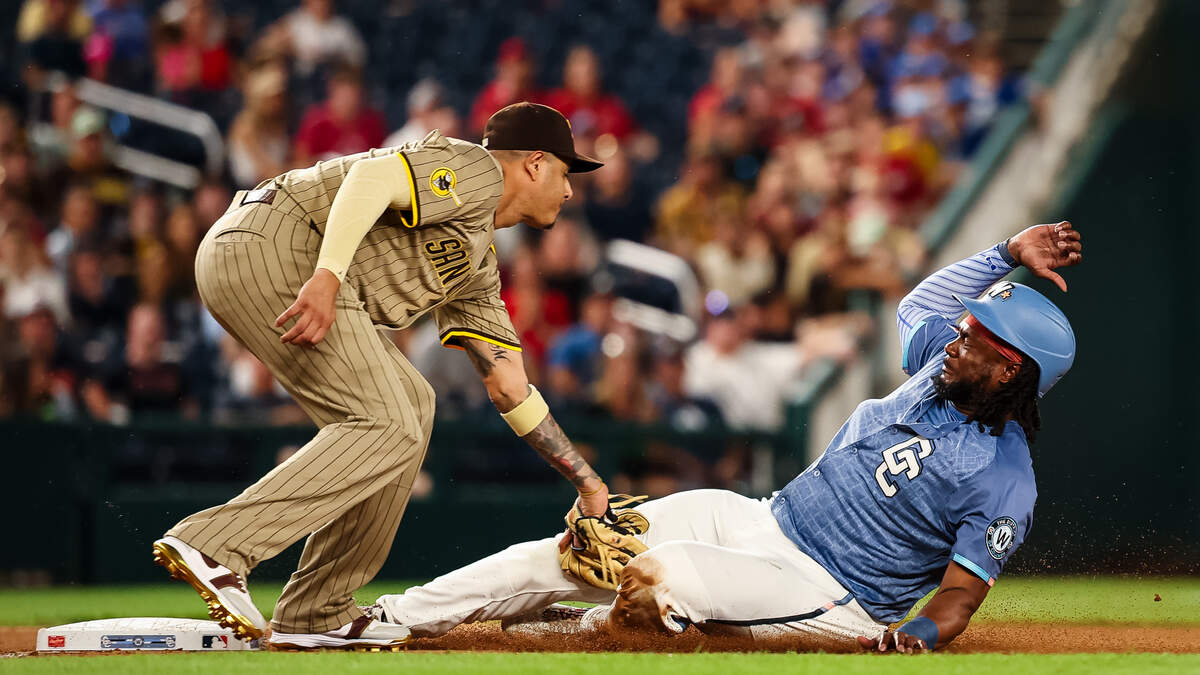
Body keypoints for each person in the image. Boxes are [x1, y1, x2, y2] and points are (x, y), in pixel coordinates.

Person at [368, 222, 1081, 652]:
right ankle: (392, 616)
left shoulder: (1004, 478)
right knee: (595, 540)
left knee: (659, 575)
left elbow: (957, 599)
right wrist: (1006, 251)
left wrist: (916, 636)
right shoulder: (939, 368)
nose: (959, 332)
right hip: (762, 516)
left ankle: (581, 631)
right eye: (968, 325)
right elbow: (921, 303)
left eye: (980, 336)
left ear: (1011, 369)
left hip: (828, 590)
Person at [150, 102, 612, 651]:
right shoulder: (478, 169)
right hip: (278, 244)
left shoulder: (477, 263)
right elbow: (372, 176)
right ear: (534, 163)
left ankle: (317, 610)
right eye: (565, 172)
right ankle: (217, 545)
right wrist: (328, 274)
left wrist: (585, 480)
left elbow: (509, 384)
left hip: (274, 258)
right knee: (389, 415)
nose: (569, 190)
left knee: (413, 405)